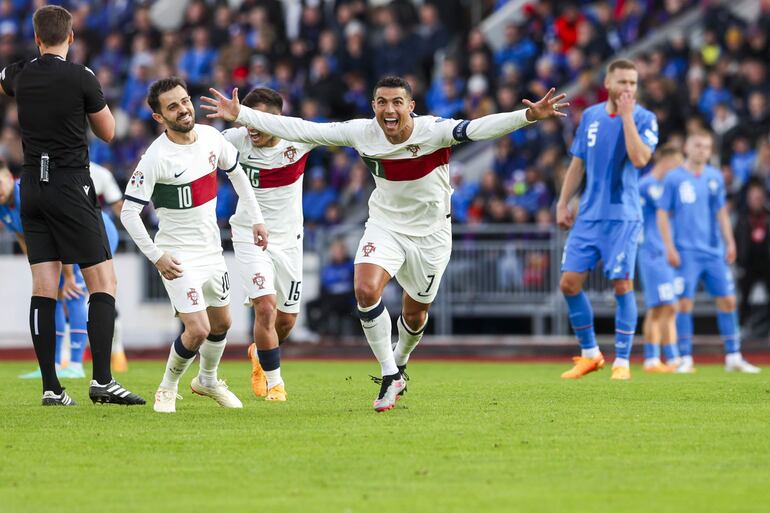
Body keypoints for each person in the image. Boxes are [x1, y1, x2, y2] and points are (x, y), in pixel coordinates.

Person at [202, 75, 567, 411]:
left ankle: (400, 363)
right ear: (373, 105)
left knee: (415, 314)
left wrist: (527, 116)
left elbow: (478, 128)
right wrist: (242, 114)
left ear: (410, 106)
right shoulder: (362, 132)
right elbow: (298, 127)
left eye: (396, 102)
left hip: (431, 234)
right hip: (385, 225)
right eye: (381, 102)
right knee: (365, 289)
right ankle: (390, 374)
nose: (388, 110)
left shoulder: (433, 131)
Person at [0, 5, 143, 405]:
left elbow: (5, 82)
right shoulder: (81, 77)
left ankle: (51, 387)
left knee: (43, 286)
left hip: (31, 186)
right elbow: (110, 132)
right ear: (71, 38)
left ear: (37, 37)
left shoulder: (19, 74)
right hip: (69, 183)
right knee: (103, 282)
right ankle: (101, 381)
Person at [120, 77, 269, 413]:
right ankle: (167, 387)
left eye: (184, 101)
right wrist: (156, 256)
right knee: (198, 328)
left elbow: (238, 175)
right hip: (177, 255)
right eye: (172, 106)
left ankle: (208, 380)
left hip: (212, 251)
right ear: (159, 117)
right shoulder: (155, 157)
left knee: (222, 324)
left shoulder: (212, 138)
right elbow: (129, 213)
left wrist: (257, 218)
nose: (183, 109)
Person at [557, 59, 658, 381]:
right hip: (588, 215)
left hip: (623, 217)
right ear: (609, 83)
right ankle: (590, 355)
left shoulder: (644, 118)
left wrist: (627, 118)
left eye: (633, 83)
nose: (629, 88)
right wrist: (562, 202)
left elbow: (641, 159)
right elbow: (577, 164)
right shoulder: (591, 116)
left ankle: (623, 361)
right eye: (623, 82)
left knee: (622, 283)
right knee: (569, 283)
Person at [221, 87, 318, 402]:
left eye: (259, 120)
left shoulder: (299, 139)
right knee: (265, 306)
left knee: (286, 321)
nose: (252, 129)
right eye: (248, 120)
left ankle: (260, 352)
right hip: (249, 234)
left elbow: (341, 134)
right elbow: (196, 147)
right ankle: (276, 385)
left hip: (290, 241)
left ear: (279, 120)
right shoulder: (236, 141)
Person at [656, 130, 760, 374]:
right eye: (698, 145)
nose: (702, 150)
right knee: (683, 304)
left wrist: (730, 242)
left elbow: (721, 212)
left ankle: (733, 356)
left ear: (710, 151)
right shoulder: (674, 178)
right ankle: (685, 357)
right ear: (687, 148)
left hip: (713, 251)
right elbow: (662, 213)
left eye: (706, 147)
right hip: (685, 251)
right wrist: (669, 247)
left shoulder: (714, 177)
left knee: (728, 300)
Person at [637, 144, 683, 372]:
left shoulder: (665, 187)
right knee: (661, 306)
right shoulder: (646, 185)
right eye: (676, 164)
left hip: (664, 253)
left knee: (666, 307)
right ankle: (654, 359)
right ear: (665, 161)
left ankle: (666, 358)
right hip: (652, 252)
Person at [89, 162, 129, 372]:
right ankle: (67, 357)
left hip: (96, 231)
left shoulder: (100, 172)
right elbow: (118, 206)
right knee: (99, 289)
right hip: (88, 230)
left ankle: (117, 350)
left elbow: (119, 207)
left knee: (102, 289)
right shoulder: (101, 172)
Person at [734, 180, 770, 329]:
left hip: (767, 263)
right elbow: (736, 241)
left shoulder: (768, 216)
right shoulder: (742, 219)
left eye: (759, 197)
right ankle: (740, 328)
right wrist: (739, 263)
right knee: (743, 296)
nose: (757, 200)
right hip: (747, 264)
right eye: (754, 197)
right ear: (748, 199)